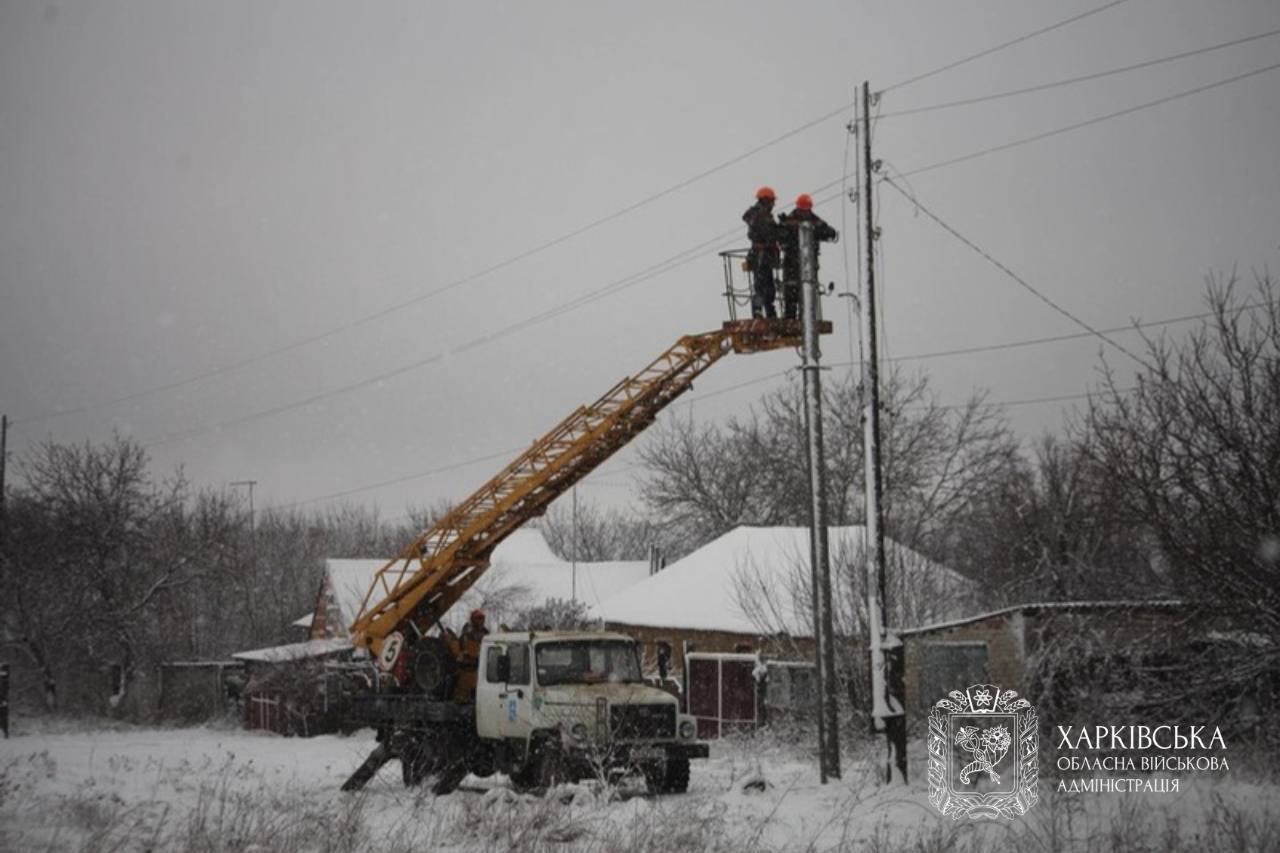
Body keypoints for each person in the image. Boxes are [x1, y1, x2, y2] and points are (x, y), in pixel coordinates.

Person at [778, 193, 838, 319]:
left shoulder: (814, 221)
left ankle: (805, 318)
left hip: (807, 264)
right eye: (802, 210)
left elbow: (830, 232)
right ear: (798, 208)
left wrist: (814, 229)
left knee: (807, 294)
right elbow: (780, 237)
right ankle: (791, 318)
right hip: (793, 264)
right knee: (791, 292)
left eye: (806, 210)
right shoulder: (789, 222)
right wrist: (787, 226)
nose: (805, 213)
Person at [742, 186, 781, 318]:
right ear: (766, 200)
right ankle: (762, 311)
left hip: (761, 255)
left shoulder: (757, 215)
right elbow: (769, 233)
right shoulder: (760, 215)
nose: (773, 205)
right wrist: (779, 230)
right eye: (772, 201)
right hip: (761, 255)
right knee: (762, 286)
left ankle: (767, 311)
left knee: (766, 286)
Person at [453, 608, 489, 702]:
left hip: (479, 667)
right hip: (467, 667)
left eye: (482, 618)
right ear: (473, 619)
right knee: (463, 693)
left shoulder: (485, 632)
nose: (481, 621)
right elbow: (466, 646)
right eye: (478, 618)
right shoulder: (468, 631)